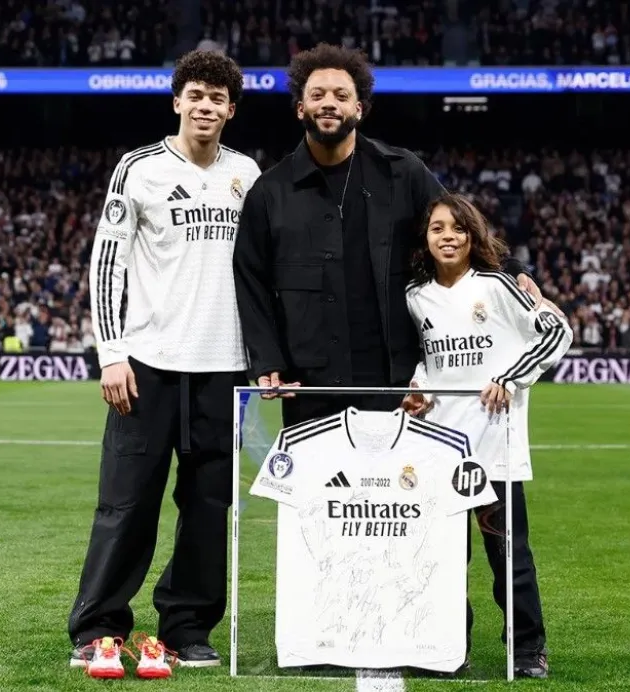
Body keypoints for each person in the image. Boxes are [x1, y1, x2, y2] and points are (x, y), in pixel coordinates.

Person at [68, 50, 262, 678]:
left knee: (208, 506)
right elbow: (107, 264)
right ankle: (98, 626)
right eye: (196, 95)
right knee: (126, 501)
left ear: (232, 110)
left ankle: (188, 627)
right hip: (147, 364)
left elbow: (260, 272)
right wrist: (112, 354)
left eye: (218, 98)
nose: (206, 107)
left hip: (224, 367)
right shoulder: (140, 168)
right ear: (176, 101)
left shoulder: (247, 173)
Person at [233, 43, 544, 428]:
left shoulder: (402, 171)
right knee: (320, 490)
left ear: (358, 109)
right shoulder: (268, 193)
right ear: (301, 108)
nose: (329, 103)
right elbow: (251, 281)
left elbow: (457, 227)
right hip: (310, 386)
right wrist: (267, 360)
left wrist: (512, 269)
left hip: (397, 382)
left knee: (397, 487)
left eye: (341, 95)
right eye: (317, 95)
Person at [401, 193, 573, 680]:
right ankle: (448, 648)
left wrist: (510, 378)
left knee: (508, 558)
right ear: (426, 239)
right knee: (444, 557)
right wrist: (418, 390)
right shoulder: (416, 296)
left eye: (457, 228)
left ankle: (527, 650)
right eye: (438, 228)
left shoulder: (498, 285)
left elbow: (556, 331)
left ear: (473, 236)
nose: (448, 236)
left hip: (496, 447)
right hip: (442, 450)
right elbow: (429, 362)